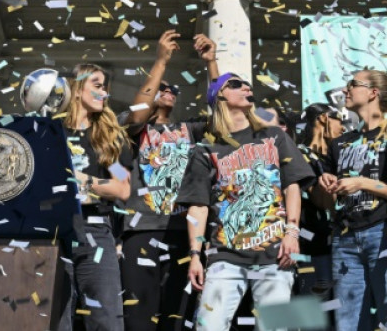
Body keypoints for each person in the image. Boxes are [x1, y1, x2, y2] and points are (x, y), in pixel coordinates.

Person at [176, 73, 314, 331]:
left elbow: (292, 186)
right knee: (208, 326)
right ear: (219, 96)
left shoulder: (274, 136)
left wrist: (292, 232)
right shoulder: (206, 148)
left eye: (247, 84)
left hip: (275, 254)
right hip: (225, 255)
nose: (246, 87)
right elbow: (198, 205)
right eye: (236, 84)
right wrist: (195, 254)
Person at [119, 31, 217, 331]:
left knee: (177, 316)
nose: (169, 90)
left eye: (173, 89)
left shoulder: (189, 129)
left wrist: (211, 63)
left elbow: (223, 116)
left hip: (181, 231)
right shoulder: (132, 129)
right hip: (142, 230)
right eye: (161, 88)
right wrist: (161, 61)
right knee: (139, 317)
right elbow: (138, 115)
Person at [312, 71, 387, 331]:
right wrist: (325, 183)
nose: (345, 90)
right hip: (344, 237)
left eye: (352, 84)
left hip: (383, 233)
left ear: (373, 93)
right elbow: (327, 203)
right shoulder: (340, 144)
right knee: (348, 321)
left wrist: (363, 183)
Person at [58, 63, 132, 331]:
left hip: (95, 230)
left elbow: (122, 187)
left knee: (106, 318)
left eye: (105, 88)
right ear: (77, 89)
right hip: (54, 232)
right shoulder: (53, 131)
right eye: (97, 86)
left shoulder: (106, 139)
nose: (104, 93)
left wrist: (84, 180)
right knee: (56, 318)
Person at [294, 103, 343, 311]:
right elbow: (321, 201)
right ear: (323, 118)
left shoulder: (334, 156)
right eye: (339, 120)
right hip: (311, 247)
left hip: (338, 245)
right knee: (315, 312)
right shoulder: (301, 155)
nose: (343, 127)